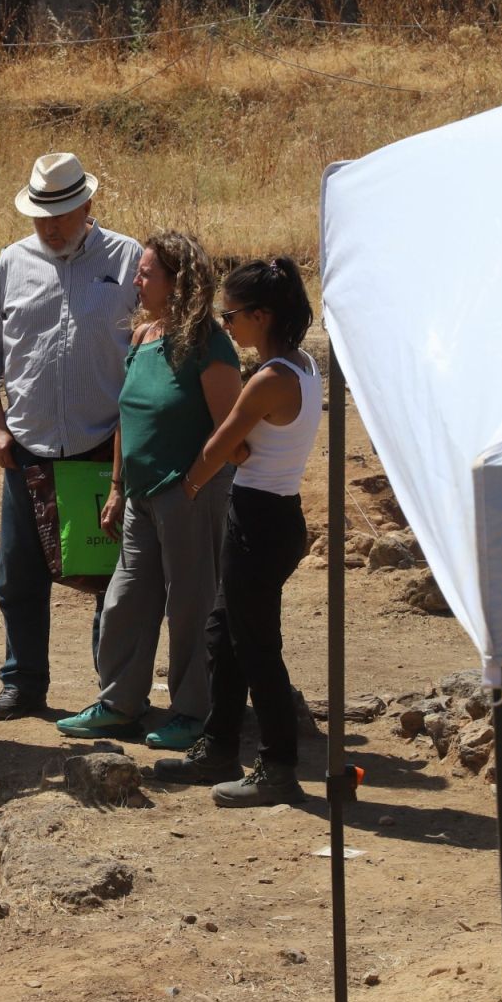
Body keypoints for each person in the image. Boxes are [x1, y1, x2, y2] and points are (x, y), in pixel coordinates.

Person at [0, 152, 142, 722]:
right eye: (43, 216)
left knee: (108, 578)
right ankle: (23, 682)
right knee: (18, 575)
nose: (53, 226)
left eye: (63, 213)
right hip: (28, 446)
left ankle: (111, 692)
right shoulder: (12, 264)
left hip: (102, 446)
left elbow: (154, 342)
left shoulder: (128, 258)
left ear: (88, 205)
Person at [57, 230, 242, 749]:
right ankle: (119, 703)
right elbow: (128, 416)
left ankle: (193, 711)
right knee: (125, 600)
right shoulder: (144, 336)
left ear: (177, 281)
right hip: (141, 494)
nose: (135, 280)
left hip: (191, 494)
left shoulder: (210, 344)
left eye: (146, 273)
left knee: (192, 605)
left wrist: (194, 483)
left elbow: (230, 428)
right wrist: (117, 486)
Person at [152, 258, 321, 806]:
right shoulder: (300, 366)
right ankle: (219, 745)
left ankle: (277, 766)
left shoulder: (271, 379)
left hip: (259, 519)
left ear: (262, 314)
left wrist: (189, 487)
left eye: (232, 315)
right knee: (224, 635)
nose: (227, 325)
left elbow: (219, 447)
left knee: (255, 646)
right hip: (272, 514)